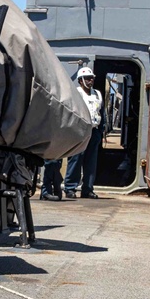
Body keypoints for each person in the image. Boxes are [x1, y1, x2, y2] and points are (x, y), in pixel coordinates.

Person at [63, 66, 103, 199]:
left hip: (94, 131)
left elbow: (101, 112)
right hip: (79, 131)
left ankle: (87, 189)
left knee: (91, 162)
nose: (90, 80)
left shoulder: (97, 94)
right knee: (76, 159)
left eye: (91, 78)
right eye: (87, 78)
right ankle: (70, 188)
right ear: (80, 80)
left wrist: (101, 130)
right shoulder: (76, 93)